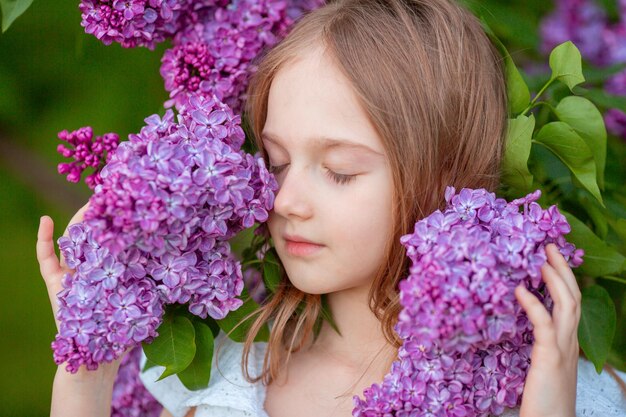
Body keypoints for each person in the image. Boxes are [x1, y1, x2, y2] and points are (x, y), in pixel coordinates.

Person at [37, 0, 626, 416]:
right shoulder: (228, 383)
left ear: (446, 174)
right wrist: (87, 366)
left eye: (339, 171)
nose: (286, 201)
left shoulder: (556, 393)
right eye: (275, 162)